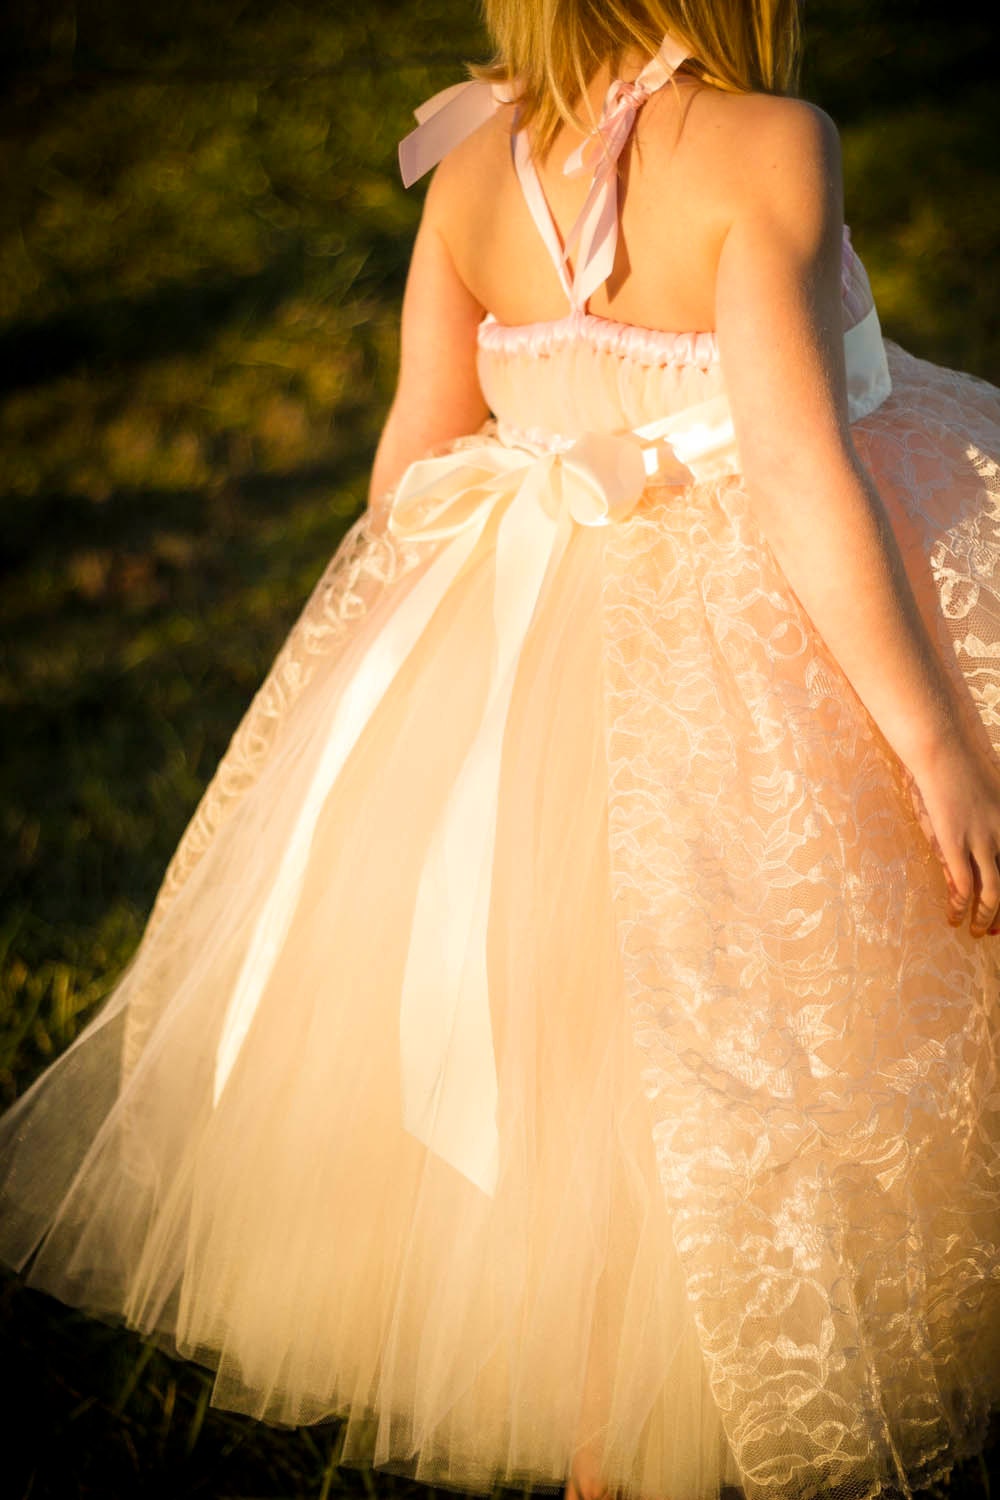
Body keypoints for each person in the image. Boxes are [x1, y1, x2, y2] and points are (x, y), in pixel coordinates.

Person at [1, 2, 998, 1498]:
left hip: (524, 642)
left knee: (584, 1072)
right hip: (745, 662)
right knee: (758, 1041)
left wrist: (412, 689)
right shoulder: (769, 145)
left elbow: (416, 455)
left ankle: (608, 1436)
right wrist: (937, 743)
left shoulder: (470, 157)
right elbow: (795, 466)